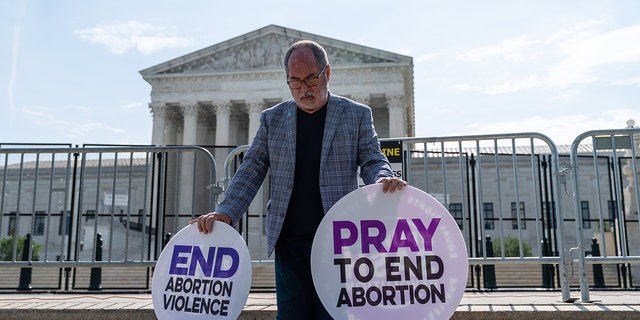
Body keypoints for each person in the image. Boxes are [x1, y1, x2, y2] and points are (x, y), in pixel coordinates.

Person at [192, 40, 406, 319]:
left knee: (335, 315)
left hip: (338, 239)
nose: (304, 89)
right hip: (289, 239)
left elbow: (372, 158)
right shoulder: (273, 119)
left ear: (327, 73)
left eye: (310, 79)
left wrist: (382, 177)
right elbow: (251, 167)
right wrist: (226, 212)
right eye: (295, 82)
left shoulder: (356, 114)